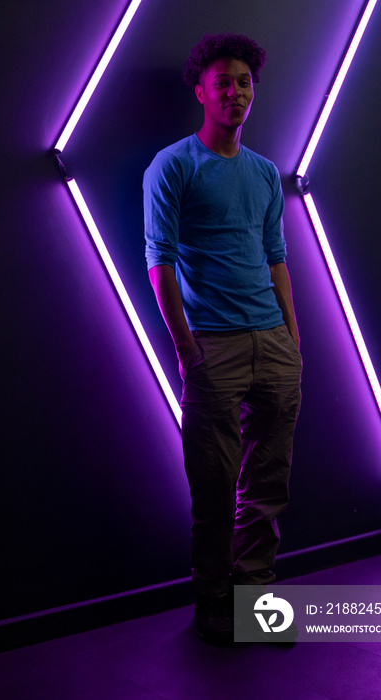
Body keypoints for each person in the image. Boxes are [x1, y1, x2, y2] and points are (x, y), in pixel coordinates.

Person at [143, 33, 302, 644]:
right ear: (201, 91)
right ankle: (212, 597)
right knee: (212, 479)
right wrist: (185, 346)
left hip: (273, 344)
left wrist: (292, 333)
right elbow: (158, 260)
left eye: (244, 82)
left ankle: (254, 593)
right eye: (222, 83)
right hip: (215, 344)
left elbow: (276, 257)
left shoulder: (264, 172)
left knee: (269, 477)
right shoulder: (174, 165)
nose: (234, 92)